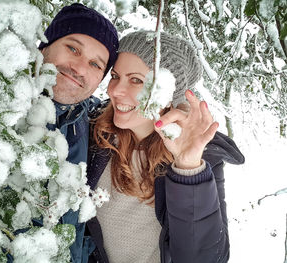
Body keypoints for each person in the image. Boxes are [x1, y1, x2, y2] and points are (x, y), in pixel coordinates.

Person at [85, 31, 245, 263]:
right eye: (116, 76)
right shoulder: (96, 133)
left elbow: (205, 258)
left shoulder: (201, 156)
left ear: (169, 93)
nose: (115, 90)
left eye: (137, 80)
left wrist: (188, 168)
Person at [36, 3, 118, 263]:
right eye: (73, 48)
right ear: (44, 45)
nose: (80, 69)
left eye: (95, 64)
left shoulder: (87, 118)